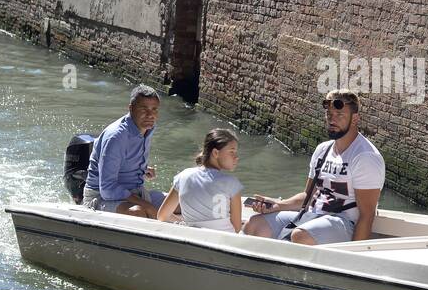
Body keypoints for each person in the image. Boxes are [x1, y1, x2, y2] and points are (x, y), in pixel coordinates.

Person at [245, 90, 384, 245]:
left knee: (300, 235)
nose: (332, 120)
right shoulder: (323, 150)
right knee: (254, 225)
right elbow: (308, 196)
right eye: (329, 114)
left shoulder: (365, 157)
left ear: (355, 119)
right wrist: (279, 205)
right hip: (312, 216)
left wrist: (355, 256)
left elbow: (367, 215)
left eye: (340, 115)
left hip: (344, 224)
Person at [82, 85, 165, 218]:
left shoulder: (148, 127)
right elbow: (107, 189)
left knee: (182, 201)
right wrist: (147, 205)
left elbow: (125, 157)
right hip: (100, 198)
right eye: (144, 109)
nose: (150, 115)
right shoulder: (116, 136)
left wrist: (141, 168)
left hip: (135, 192)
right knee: (138, 212)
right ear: (131, 108)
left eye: (154, 109)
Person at [158, 129, 244, 232]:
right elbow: (237, 228)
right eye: (232, 152)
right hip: (223, 241)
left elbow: (162, 216)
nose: (236, 157)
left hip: (193, 237)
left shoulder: (183, 176)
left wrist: (184, 224)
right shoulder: (232, 183)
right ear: (215, 153)